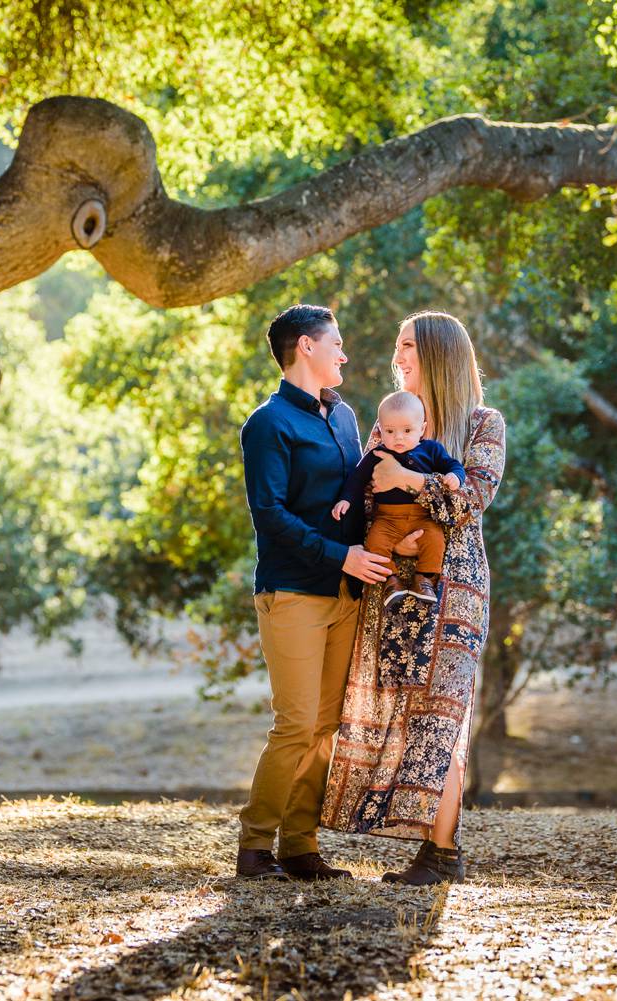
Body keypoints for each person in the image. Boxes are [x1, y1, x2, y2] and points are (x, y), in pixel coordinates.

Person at [321, 310, 507, 886]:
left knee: (441, 717)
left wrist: (409, 483)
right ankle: (415, 838)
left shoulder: (483, 424)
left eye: (407, 346)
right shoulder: (388, 424)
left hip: (454, 592)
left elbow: (469, 503)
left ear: (436, 353)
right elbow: (370, 497)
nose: (396, 356)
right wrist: (395, 513)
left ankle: (443, 851)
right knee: (400, 708)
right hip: (393, 586)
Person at [235, 303, 396, 881]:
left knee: (327, 725)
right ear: (306, 346)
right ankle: (255, 848)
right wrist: (341, 554)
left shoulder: (346, 417)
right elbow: (270, 515)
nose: (344, 354)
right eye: (337, 344)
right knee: (297, 723)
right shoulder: (268, 424)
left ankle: (300, 847)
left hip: (347, 593)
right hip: (294, 591)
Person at [331, 390, 464, 606]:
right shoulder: (377, 455)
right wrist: (346, 499)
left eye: (407, 430)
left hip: (422, 516)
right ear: (380, 430)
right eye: (390, 431)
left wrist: (454, 476)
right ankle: (391, 581)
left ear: (422, 429)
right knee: (375, 542)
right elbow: (356, 478)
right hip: (387, 518)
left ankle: (425, 578)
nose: (398, 437)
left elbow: (453, 464)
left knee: (435, 539)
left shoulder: (431, 450)